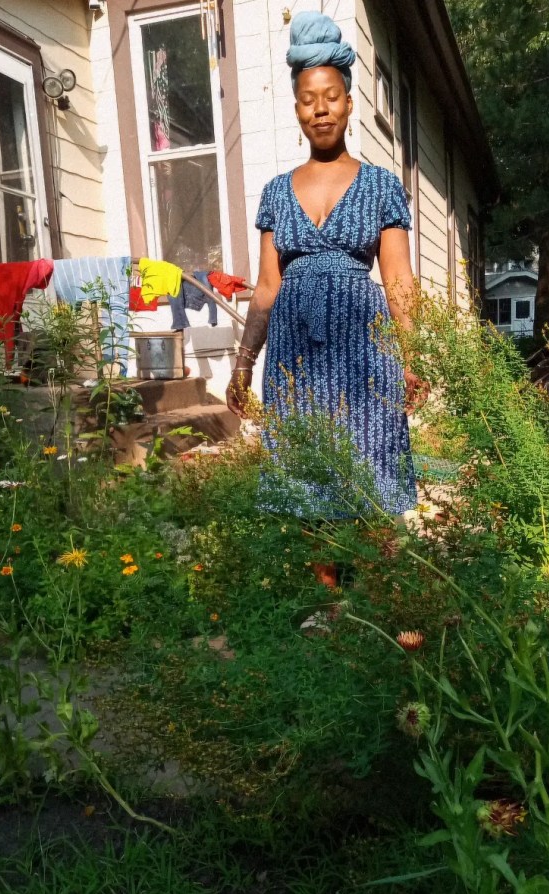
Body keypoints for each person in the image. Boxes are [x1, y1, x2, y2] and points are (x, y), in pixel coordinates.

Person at [226, 11, 425, 533]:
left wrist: (415, 357)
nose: (321, 109)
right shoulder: (275, 192)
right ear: (297, 108)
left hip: (366, 354)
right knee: (306, 475)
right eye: (309, 99)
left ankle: (383, 596)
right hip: (296, 358)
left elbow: (400, 281)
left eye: (331, 96)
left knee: (372, 467)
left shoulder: (381, 186)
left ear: (349, 102)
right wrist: (244, 364)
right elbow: (268, 287)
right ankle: (327, 602)